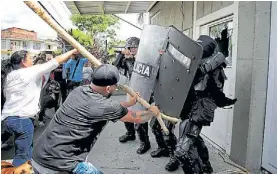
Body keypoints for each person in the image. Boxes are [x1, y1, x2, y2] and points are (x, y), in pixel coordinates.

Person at [31, 64, 160, 174]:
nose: (116, 88)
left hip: (39, 156)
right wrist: (152, 112)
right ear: (108, 88)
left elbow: (101, 108)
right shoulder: (106, 106)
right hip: (59, 166)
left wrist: (128, 104)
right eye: (116, 86)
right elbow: (138, 118)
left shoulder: (79, 91)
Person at [1, 49, 79, 167]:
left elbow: (7, 95)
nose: (33, 61)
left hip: (9, 118)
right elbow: (55, 61)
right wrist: (72, 51)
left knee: (24, 150)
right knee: (23, 155)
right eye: (30, 58)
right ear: (23, 62)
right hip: (22, 119)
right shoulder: (29, 72)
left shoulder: (10, 75)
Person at [174, 35, 237, 173]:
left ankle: (202, 168)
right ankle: (206, 165)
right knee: (193, 138)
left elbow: (215, 93)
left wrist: (203, 70)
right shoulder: (195, 62)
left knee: (182, 150)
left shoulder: (215, 68)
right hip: (190, 104)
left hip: (202, 107)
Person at [113, 37, 151, 154]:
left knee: (139, 119)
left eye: (134, 47)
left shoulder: (146, 58)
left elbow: (142, 71)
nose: (132, 49)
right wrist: (121, 56)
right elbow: (114, 68)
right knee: (125, 112)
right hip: (131, 89)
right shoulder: (127, 59)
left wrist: (131, 59)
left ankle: (145, 143)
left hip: (144, 91)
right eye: (130, 47)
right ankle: (130, 134)